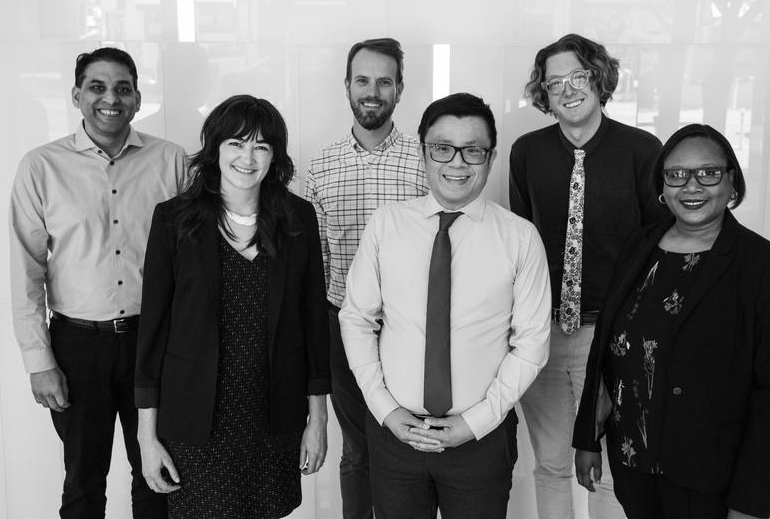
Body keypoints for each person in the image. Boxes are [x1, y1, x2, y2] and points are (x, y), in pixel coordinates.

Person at [573, 124, 770, 519]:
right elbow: (606, 348)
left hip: (709, 475)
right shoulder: (640, 245)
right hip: (633, 464)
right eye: (676, 175)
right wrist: (587, 438)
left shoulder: (767, 268)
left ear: (732, 182)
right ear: (662, 186)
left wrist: (751, 503)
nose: (691, 186)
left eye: (708, 173)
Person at [340, 92, 551, 518]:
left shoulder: (520, 237)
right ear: (423, 153)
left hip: (481, 441)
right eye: (442, 148)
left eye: (472, 150)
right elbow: (357, 318)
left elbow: (532, 343)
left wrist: (474, 423)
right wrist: (387, 410)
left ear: (491, 158)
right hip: (395, 437)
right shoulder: (386, 224)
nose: (457, 163)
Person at [134, 95, 331, 518]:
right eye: (235, 143)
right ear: (215, 149)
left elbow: (314, 326)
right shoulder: (175, 220)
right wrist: (146, 437)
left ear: (274, 155)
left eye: (261, 146)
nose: (247, 157)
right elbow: (153, 331)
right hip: (195, 421)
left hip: (273, 418)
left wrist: (319, 420)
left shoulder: (298, 219)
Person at [8, 47, 185, 518]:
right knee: (83, 482)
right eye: (98, 87)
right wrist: (38, 361)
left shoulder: (171, 162)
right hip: (77, 347)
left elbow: (194, 264)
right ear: (76, 95)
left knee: (159, 477)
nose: (111, 99)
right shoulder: (40, 167)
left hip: (155, 344)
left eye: (123, 88)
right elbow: (27, 270)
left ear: (138, 98)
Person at [509, 33, 667, 519]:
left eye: (578, 76)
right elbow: (523, 242)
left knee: (611, 470)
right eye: (554, 82)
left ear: (599, 80)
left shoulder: (643, 150)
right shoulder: (527, 153)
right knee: (551, 464)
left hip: (613, 335)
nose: (568, 89)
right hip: (544, 333)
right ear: (543, 93)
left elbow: (657, 248)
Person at [304, 37, 428, 518]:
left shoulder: (426, 159)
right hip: (342, 324)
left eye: (383, 81)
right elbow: (315, 260)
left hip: (412, 327)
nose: (371, 91)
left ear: (400, 88)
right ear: (347, 86)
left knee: (409, 447)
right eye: (362, 80)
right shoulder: (321, 164)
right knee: (356, 453)